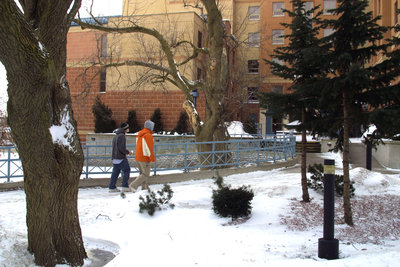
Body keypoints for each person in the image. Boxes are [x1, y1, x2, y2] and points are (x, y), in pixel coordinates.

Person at [129, 120, 155, 192]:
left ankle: (145, 188)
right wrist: (152, 158)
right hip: (145, 157)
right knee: (145, 174)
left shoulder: (139, 134)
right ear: (150, 127)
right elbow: (149, 148)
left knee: (142, 174)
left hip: (138, 156)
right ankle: (133, 185)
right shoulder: (148, 135)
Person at [109, 122, 133, 192]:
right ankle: (125, 186)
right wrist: (128, 152)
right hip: (121, 157)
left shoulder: (116, 136)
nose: (128, 129)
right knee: (127, 170)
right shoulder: (122, 136)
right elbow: (121, 148)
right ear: (125, 129)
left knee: (115, 172)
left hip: (115, 157)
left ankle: (112, 187)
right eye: (128, 128)